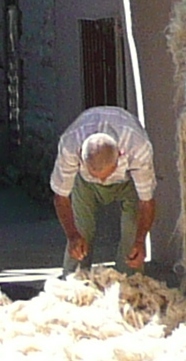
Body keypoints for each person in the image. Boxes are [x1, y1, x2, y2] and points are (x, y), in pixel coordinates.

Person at [51, 104, 156, 271]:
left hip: (127, 182)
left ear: (120, 155)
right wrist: (72, 236)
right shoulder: (69, 145)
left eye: (107, 174)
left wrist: (140, 241)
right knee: (81, 231)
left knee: (132, 232)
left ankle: (130, 284)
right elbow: (61, 196)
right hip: (85, 184)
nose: (102, 180)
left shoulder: (138, 147)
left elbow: (146, 202)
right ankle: (74, 283)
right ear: (81, 157)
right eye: (96, 174)